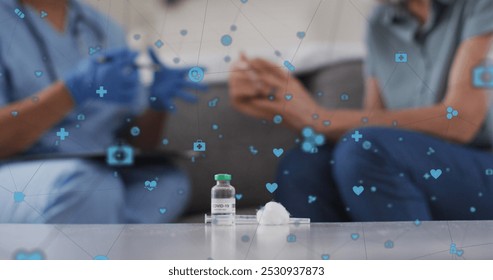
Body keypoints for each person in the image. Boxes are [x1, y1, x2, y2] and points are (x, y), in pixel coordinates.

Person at [229, 0, 493, 222]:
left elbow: (461, 121)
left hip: (481, 164)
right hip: (418, 164)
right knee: (302, 165)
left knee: (364, 148)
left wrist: (321, 119)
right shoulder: (380, 22)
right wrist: (281, 105)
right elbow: (373, 120)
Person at [0, 0, 204, 223]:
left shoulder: (104, 28)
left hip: (98, 170)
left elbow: (136, 143)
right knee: (92, 187)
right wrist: (71, 92)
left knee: (168, 183)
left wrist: (155, 104)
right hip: (17, 170)